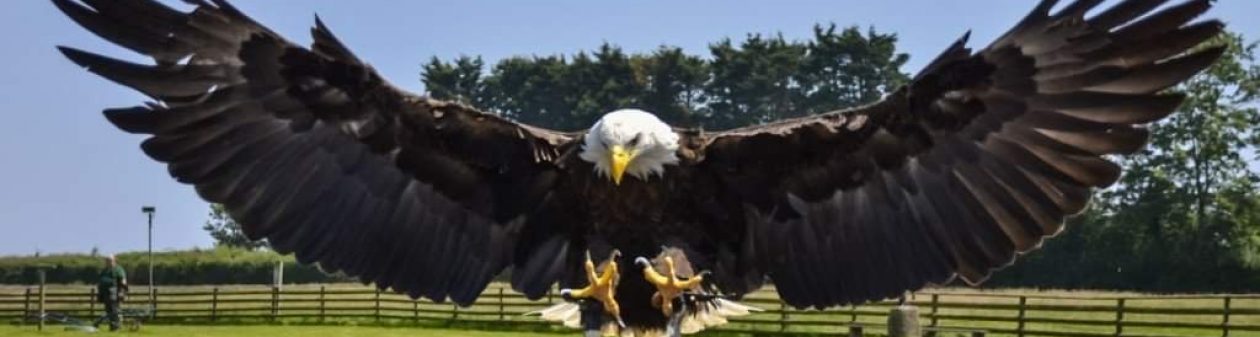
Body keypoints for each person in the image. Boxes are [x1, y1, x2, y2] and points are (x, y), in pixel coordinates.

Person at [93, 255, 127, 331]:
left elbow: (123, 281)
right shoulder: (104, 270)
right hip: (105, 292)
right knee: (108, 310)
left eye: (110, 261)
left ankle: (116, 326)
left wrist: (122, 291)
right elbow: (100, 280)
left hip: (114, 291)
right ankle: (112, 326)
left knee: (114, 309)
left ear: (114, 261)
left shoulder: (118, 269)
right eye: (107, 261)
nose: (108, 262)